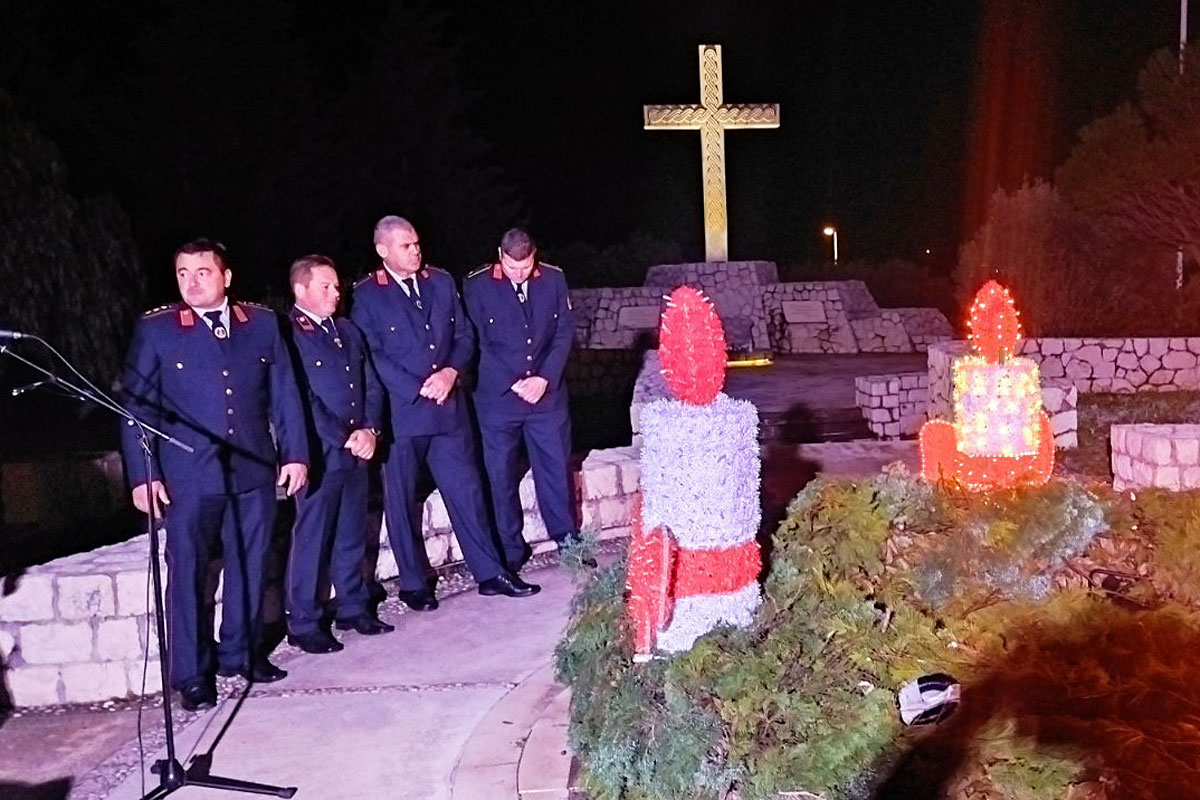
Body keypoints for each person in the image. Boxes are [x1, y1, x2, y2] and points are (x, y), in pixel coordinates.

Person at [120, 239, 309, 712]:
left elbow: (285, 394)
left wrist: (295, 455)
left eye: (202, 272)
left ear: (226, 277)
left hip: (252, 467)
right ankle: (190, 674)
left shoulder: (260, 324)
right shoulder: (159, 330)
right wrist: (144, 475)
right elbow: (137, 408)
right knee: (186, 572)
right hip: (187, 478)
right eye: (182, 274)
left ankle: (241, 653)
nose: (191, 283)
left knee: (250, 563)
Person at [350, 216, 539, 610]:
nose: (415, 251)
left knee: (468, 493)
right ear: (383, 250)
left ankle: (490, 572)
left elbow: (465, 335)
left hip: (448, 409)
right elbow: (372, 354)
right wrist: (417, 386)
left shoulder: (440, 281)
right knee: (401, 501)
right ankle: (413, 585)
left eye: (416, 243)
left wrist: (451, 372)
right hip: (403, 415)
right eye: (405, 246)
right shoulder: (367, 294)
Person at [283, 255, 394, 654]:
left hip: (357, 449)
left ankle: (352, 606)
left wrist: (370, 430)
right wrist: (344, 436)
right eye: (326, 286)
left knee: (351, 532)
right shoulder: (290, 335)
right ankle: (303, 622)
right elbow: (301, 399)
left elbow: (371, 384)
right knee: (312, 538)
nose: (335, 292)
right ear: (301, 290)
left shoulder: (347, 331)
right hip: (321, 452)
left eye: (336, 285)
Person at [464, 228, 583, 570]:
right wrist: (514, 382)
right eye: (512, 268)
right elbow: (477, 341)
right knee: (500, 474)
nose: (519, 274)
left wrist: (544, 377)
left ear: (535, 257)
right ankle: (510, 550)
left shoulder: (553, 279)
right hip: (499, 399)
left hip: (546, 396)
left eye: (526, 267)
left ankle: (568, 543)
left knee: (555, 469)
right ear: (500, 256)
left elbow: (564, 331)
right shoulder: (477, 285)